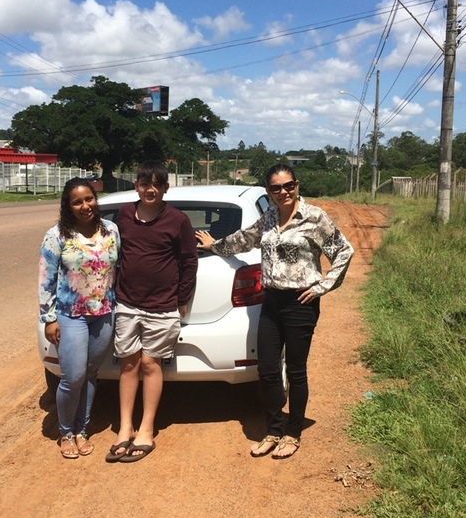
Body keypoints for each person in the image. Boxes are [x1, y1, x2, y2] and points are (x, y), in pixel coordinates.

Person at [195, 163, 354, 460]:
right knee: (267, 370)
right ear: (269, 191)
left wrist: (324, 286)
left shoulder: (314, 217)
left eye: (288, 186)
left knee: (295, 370)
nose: (284, 192)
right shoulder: (268, 216)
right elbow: (244, 239)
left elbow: (343, 251)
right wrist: (214, 245)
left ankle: (293, 433)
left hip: (300, 303)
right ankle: (274, 430)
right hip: (271, 302)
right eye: (276, 188)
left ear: (297, 184)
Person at [106, 161, 198, 463]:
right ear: (136, 186)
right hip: (127, 303)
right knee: (128, 365)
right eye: (145, 183)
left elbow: (189, 261)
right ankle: (125, 428)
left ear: (166, 188)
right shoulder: (123, 215)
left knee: (150, 363)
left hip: (161, 306)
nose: (151, 189)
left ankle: (146, 430)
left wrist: (181, 296)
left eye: (157, 184)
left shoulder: (178, 220)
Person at [39, 177, 120, 459]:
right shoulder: (57, 235)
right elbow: (45, 279)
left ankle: (82, 429)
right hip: (71, 315)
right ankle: (65, 432)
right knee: (72, 377)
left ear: (95, 200)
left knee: (90, 374)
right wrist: (48, 318)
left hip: (104, 314)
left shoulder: (111, 230)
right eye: (77, 201)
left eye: (89, 199)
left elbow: (118, 269)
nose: (85, 206)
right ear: (68, 206)